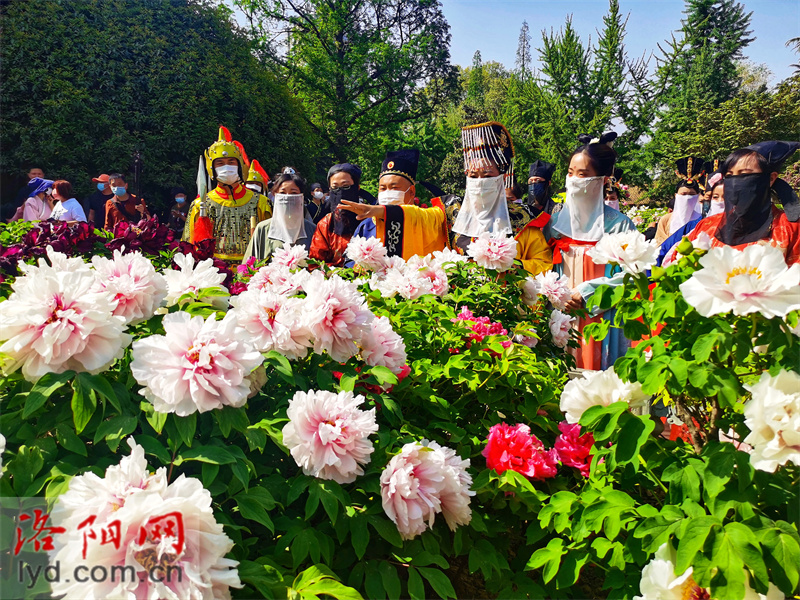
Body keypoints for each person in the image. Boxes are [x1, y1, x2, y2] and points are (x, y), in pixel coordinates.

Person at [545, 132, 636, 371]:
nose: (574, 180)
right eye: (571, 173)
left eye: (582, 175)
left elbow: (634, 275)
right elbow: (541, 267)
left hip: (602, 317)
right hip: (560, 314)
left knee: (598, 379)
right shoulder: (553, 224)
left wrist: (587, 293)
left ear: (602, 180)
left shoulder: (619, 225)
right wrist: (556, 295)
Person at [665, 141, 800, 266]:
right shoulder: (707, 226)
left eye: (744, 174)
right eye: (729, 176)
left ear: (771, 178)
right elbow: (679, 270)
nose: (735, 183)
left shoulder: (791, 229)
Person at [444, 122, 552, 275]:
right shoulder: (451, 213)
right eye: (473, 176)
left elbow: (544, 264)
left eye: (487, 176)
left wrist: (515, 266)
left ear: (502, 178)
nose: (480, 182)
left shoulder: (523, 218)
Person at [339, 149, 450, 261]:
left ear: (412, 192)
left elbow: (417, 214)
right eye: (382, 188)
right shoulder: (367, 225)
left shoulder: (427, 219)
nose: (387, 192)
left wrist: (382, 211)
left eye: (394, 188)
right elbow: (351, 261)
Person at [182, 126, 271, 262]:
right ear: (212, 168)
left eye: (231, 162)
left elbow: (270, 242)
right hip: (214, 272)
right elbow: (190, 245)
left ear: (239, 166)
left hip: (251, 272)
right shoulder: (200, 205)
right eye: (220, 163)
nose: (226, 167)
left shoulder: (261, 203)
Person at [244, 171, 317, 262]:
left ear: (301, 196)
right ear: (275, 195)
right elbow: (249, 266)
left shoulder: (312, 229)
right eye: (282, 193)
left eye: (293, 193)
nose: (287, 198)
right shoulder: (263, 229)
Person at [309, 162, 367, 267]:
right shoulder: (326, 224)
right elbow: (315, 264)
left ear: (357, 188)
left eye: (346, 187)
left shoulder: (370, 220)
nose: (340, 192)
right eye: (335, 188)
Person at [655, 157, 705, 245]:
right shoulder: (666, 220)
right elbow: (659, 244)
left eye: (692, 194)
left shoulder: (702, 220)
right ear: (676, 196)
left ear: (697, 196)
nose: (688, 198)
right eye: (683, 194)